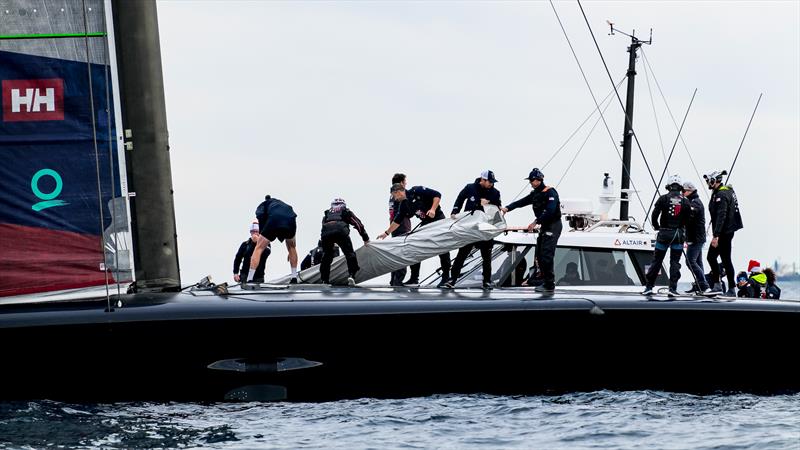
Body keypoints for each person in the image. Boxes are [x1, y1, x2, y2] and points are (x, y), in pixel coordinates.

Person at [378, 183, 450, 288]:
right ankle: (414, 278)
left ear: (398, 192)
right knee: (414, 246)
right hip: (425, 222)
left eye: (394, 195)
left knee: (442, 248)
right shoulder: (403, 204)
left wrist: (433, 209)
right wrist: (386, 233)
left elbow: (437, 195)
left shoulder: (417, 190)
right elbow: (397, 221)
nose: (394, 198)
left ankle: (446, 277)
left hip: (437, 219)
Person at [501, 168, 562, 293]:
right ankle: (544, 280)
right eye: (530, 181)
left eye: (533, 180)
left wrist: (536, 222)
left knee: (546, 255)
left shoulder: (550, 192)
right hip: (544, 226)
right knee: (539, 255)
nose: (531, 183)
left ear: (539, 180)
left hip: (553, 225)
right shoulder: (535, 194)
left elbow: (550, 211)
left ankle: (550, 283)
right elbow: (521, 202)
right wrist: (508, 208)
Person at [446, 170, 502, 290]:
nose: (491, 184)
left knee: (486, 256)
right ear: (482, 180)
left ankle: (487, 281)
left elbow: (498, 209)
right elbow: (460, 199)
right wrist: (455, 211)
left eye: (492, 182)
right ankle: (452, 279)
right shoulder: (470, 187)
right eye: (489, 182)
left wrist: (488, 203)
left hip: (485, 229)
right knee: (462, 254)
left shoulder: (495, 193)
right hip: (470, 227)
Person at [641, 175, 690, 297]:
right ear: (680, 187)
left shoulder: (663, 199)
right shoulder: (685, 201)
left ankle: (649, 287)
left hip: (664, 234)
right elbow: (688, 219)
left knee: (657, 261)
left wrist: (657, 227)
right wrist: (681, 228)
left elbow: (654, 215)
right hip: (678, 236)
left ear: (668, 186)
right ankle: (672, 289)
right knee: (675, 262)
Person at [704, 170, 743, 296]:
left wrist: (716, 236)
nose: (707, 183)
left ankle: (731, 289)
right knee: (712, 257)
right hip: (725, 231)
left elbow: (722, 215)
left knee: (725, 260)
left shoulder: (721, 194)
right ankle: (717, 285)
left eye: (709, 181)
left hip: (724, 233)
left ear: (714, 181)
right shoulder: (724, 191)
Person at [319, 198, 369, 286]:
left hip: (326, 234)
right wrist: (365, 238)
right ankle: (352, 275)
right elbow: (358, 224)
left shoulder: (327, 214)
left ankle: (324, 279)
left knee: (326, 256)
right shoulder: (346, 212)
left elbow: (323, 227)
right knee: (349, 254)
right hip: (340, 232)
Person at [250, 195, 299, 283]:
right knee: (292, 248)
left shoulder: (263, 205)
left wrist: (262, 234)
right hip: (290, 221)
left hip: (274, 220)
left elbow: (260, 217)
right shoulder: (283, 204)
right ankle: (294, 277)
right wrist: (291, 251)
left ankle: (249, 279)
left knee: (258, 248)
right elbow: (291, 216)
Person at [682, 181, 711, 294]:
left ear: (690, 191)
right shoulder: (690, 201)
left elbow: (689, 214)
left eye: (684, 191)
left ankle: (704, 285)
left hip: (696, 238)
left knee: (690, 261)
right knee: (698, 262)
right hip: (694, 237)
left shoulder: (695, 203)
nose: (682, 193)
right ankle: (701, 285)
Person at [387, 173, 412, 286]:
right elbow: (403, 212)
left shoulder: (392, 196)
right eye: (405, 181)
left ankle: (393, 280)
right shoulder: (399, 196)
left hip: (394, 226)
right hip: (401, 225)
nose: (406, 183)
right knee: (403, 251)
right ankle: (398, 280)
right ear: (401, 183)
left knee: (396, 252)